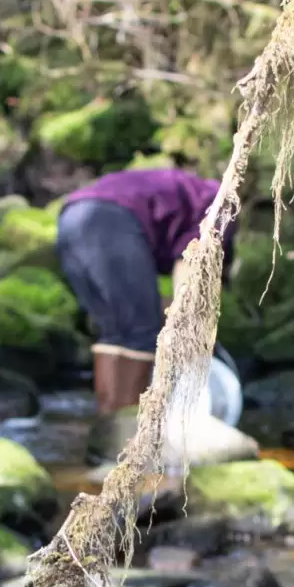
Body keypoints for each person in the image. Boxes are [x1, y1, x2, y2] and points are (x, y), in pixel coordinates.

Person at [55, 167, 245, 462]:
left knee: (117, 332)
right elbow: (191, 274)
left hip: (72, 217)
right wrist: (197, 336)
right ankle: (132, 444)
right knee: (141, 334)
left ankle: (109, 432)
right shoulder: (224, 206)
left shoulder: (191, 192)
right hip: (111, 221)